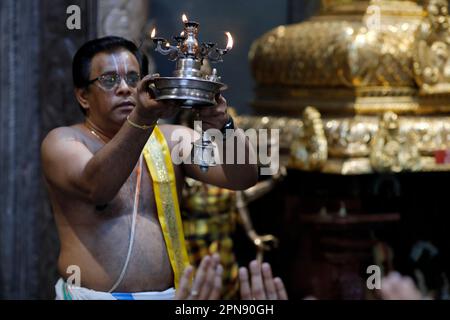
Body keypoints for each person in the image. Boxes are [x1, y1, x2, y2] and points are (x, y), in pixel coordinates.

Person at [41, 36, 258, 300]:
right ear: (83, 96)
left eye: (133, 79)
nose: (124, 89)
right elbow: (98, 188)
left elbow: (243, 177)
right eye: (110, 80)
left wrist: (224, 124)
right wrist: (142, 119)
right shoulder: (63, 142)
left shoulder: (170, 138)